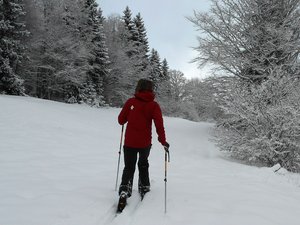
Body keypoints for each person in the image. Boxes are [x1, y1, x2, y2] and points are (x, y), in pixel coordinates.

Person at [118, 79, 169, 198]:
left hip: (130, 142)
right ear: (151, 89)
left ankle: (125, 187)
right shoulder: (154, 105)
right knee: (143, 164)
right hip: (145, 143)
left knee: (129, 166)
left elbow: (121, 120)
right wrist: (163, 141)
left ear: (138, 87)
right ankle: (144, 186)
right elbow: (159, 125)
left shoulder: (130, 102)